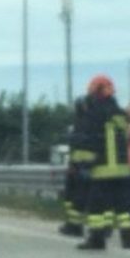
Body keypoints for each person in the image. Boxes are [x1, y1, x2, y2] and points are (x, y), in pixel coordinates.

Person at [77, 75, 130, 250]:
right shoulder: (121, 115)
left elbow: (87, 142)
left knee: (96, 207)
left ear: (95, 91)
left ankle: (96, 239)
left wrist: (83, 165)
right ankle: (127, 239)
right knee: (123, 207)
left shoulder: (94, 113)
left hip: (102, 170)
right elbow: (128, 139)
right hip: (123, 170)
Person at [59, 97, 90, 237]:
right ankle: (73, 224)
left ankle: (74, 226)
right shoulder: (90, 123)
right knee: (75, 197)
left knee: (76, 198)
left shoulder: (81, 125)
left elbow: (76, 146)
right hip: (84, 166)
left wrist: (73, 165)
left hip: (80, 167)